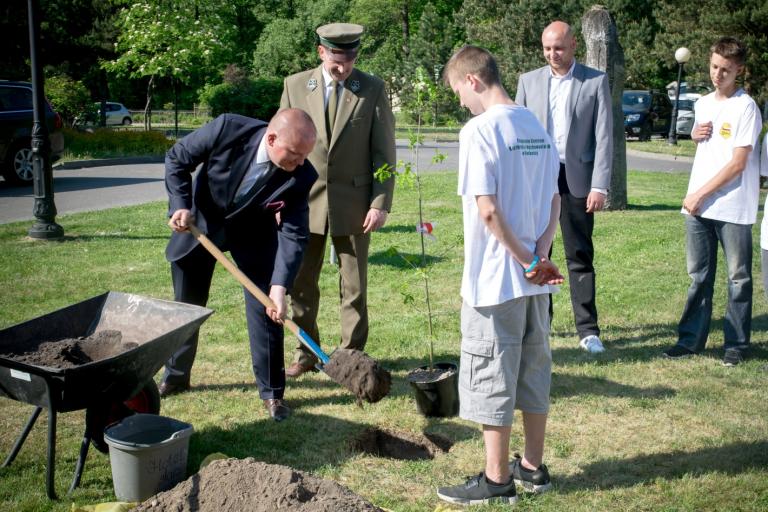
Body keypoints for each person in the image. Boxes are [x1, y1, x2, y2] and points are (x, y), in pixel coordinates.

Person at [436, 45, 564, 506]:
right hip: (534, 281)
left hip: (495, 281)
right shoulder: (536, 126)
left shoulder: (479, 130)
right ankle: (531, 466)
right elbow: (555, 201)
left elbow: (487, 210)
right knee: (533, 370)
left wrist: (527, 259)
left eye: (458, 92)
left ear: (472, 80)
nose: (461, 103)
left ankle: (496, 480)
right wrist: (540, 255)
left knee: (492, 375)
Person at [159, 109, 318, 422]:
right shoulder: (228, 129)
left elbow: (294, 233)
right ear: (272, 139)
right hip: (201, 226)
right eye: (295, 154)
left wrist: (279, 285)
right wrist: (179, 204)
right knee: (187, 306)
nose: (300, 163)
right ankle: (176, 376)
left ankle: (272, 393)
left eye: (305, 156)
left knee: (266, 310)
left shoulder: (302, 175)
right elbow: (177, 157)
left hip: (254, 235)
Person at [279, 23, 396, 377]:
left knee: (354, 287)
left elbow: (384, 153)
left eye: (349, 59)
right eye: (335, 58)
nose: (342, 67)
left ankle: (350, 357)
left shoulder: (372, 89)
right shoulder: (295, 86)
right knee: (301, 283)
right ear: (321, 52)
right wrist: (279, 202)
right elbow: (282, 145)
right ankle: (307, 352)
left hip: (356, 205)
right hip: (304, 203)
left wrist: (380, 203)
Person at [663, 37, 762, 367]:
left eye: (726, 70)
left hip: (731, 206)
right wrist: (693, 134)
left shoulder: (746, 107)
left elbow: (738, 163)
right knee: (699, 277)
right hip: (698, 206)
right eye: (714, 66)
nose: (718, 74)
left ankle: (735, 344)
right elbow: (707, 144)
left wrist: (700, 193)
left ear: (739, 71)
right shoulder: (702, 103)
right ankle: (690, 340)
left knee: (738, 278)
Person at [516, 20, 613, 354]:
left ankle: (588, 330)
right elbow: (516, 133)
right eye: (546, 48)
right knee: (537, 253)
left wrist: (600, 185)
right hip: (537, 179)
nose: (552, 55)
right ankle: (539, 326)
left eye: (558, 48)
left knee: (579, 254)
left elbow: (604, 137)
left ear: (574, 46)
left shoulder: (595, 82)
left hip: (578, 180)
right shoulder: (527, 82)